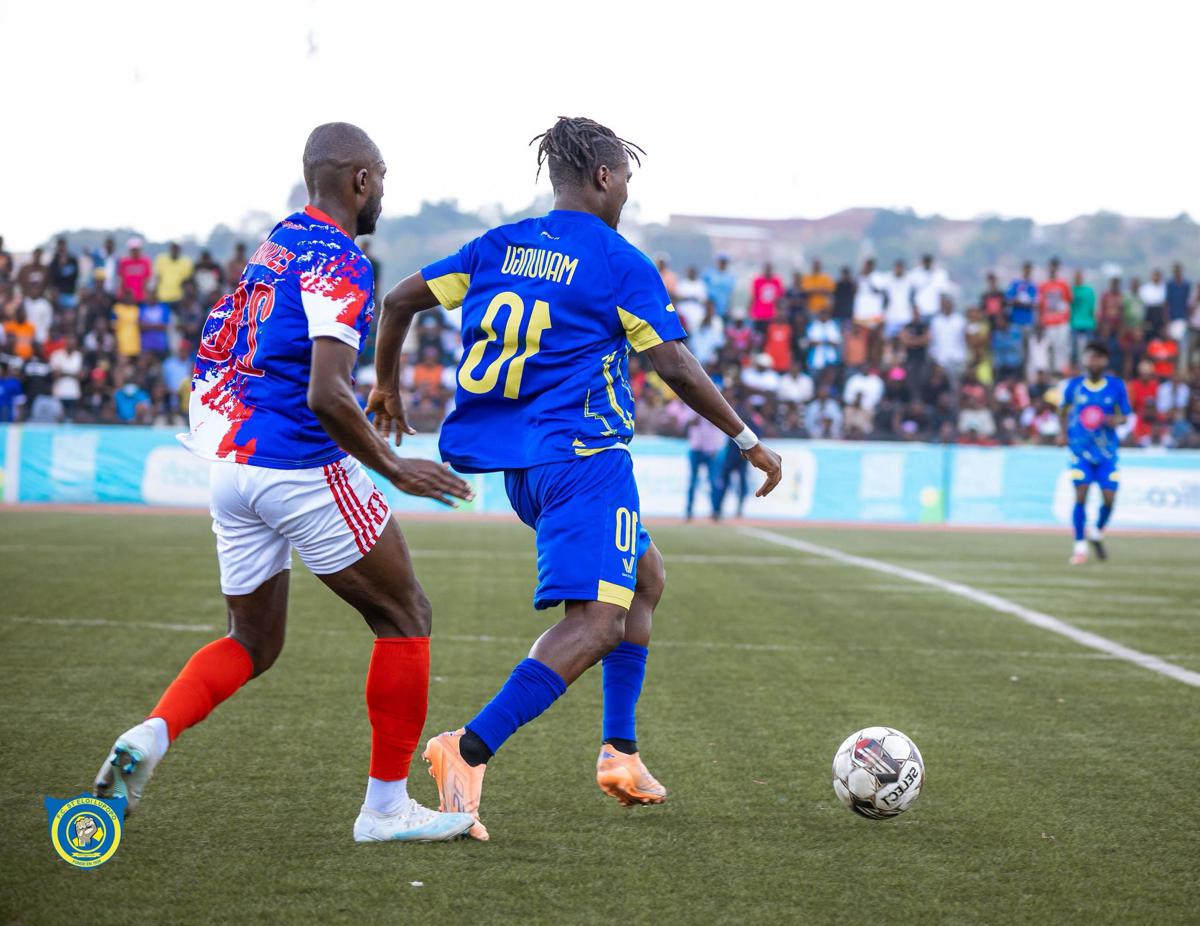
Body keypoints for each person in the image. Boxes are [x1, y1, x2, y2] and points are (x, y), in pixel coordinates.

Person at [367, 116, 782, 839]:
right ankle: (465, 749)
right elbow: (674, 364)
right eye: (624, 177)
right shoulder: (618, 260)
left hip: (525, 469)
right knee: (595, 623)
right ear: (601, 178)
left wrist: (389, 388)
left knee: (645, 578)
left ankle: (620, 752)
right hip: (587, 458)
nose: (627, 191)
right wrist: (748, 440)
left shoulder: (497, 246)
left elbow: (398, 300)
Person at [92, 122, 477, 845]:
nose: (384, 191)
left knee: (252, 641)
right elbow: (327, 395)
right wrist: (395, 470)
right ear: (360, 180)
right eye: (382, 177)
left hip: (231, 464)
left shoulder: (280, 240)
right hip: (292, 464)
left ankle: (151, 733)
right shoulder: (341, 258)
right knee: (406, 616)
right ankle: (385, 809)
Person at [1057, 342, 1130, 565]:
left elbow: (1125, 415)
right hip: (1081, 451)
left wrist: (1115, 420)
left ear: (1105, 361)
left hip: (1106, 452)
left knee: (1110, 498)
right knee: (1081, 493)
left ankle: (1096, 531)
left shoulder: (1116, 386)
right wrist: (1063, 434)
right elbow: (1062, 410)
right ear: (1085, 360)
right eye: (1091, 357)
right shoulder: (1075, 386)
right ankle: (1079, 546)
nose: (1094, 362)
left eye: (1098, 358)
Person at [1037, 258, 1072, 373]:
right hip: (1048, 322)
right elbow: (1040, 305)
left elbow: (1068, 301)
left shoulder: (1063, 285)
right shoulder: (1043, 286)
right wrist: (1040, 322)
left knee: (1062, 348)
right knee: (1048, 348)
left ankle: (1061, 370)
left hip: (1062, 322)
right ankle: (1049, 370)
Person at [153, 242, 195, 309]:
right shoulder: (161, 260)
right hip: (163, 296)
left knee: (178, 318)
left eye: (176, 249)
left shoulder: (186, 262)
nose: (174, 251)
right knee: (164, 318)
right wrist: (154, 293)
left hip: (179, 297)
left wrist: (186, 296)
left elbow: (187, 281)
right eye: (173, 249)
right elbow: (158, 278)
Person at [748, 262, 784, 332]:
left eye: (769, 269)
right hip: (759, 314)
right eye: (766, 269)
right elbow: (753, 297)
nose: (768, 271)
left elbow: (779, 299)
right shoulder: (757, 281)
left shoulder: (777, 281)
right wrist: (750, 311)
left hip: (772, 315)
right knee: (758, 337)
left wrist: (779, 314)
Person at [1070, 269, 1096, 363]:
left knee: (1090, 350)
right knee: (1074, 350)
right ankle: (1075, 368)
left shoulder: (1089, 291)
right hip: (1074, 323)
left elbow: (1092, 308)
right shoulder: (1071, 291)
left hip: (1088, 323)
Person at [1006, 261, 1038, 329]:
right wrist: (1020, 302)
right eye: (1025, 269)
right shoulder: (1015, 284)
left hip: (1028, 321)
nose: (1027, 271)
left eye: (1028, 269)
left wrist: (1021, 303)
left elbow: (1035, 304)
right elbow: (1008, 300)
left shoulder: (1033, 286)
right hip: (1015, 320)